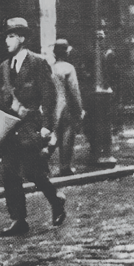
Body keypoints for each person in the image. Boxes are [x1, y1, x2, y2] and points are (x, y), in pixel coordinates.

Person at [0, 17, 66, 236]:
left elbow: (49, 96)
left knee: (33, 171)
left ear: (23, 38)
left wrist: (48, 127)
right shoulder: (5, 67)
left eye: (12, 36)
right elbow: (2, 99)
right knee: (9, 174)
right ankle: (18, 219)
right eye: (6, 36)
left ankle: (56, 201)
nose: (7, 41)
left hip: (32, 127)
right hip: (11, 128)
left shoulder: (37, 62)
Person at [51, 39, 85, 176]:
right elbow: (74, 91)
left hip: (52, 106)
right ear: (66, 53)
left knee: (54, 136)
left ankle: (48, 165)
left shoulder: (50, 67)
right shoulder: (69, 68)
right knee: (67, 136)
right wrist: (79, 110)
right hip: (66, 106)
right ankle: (65, 167)